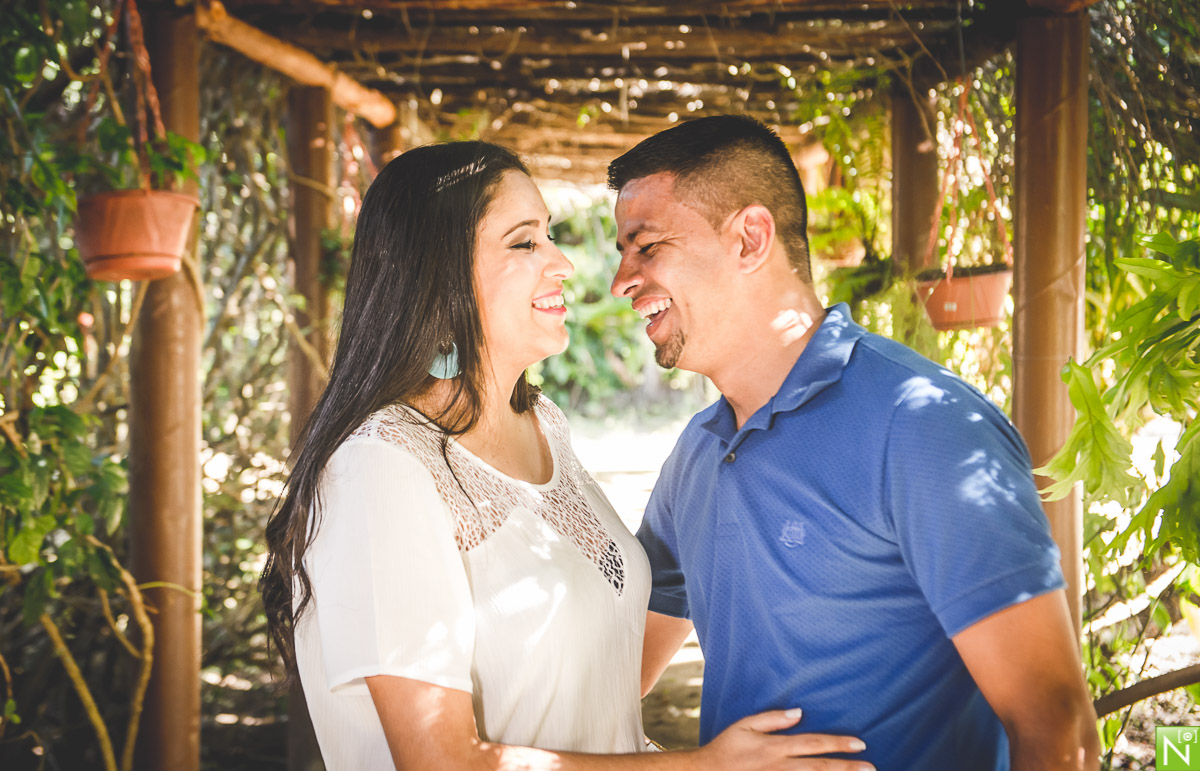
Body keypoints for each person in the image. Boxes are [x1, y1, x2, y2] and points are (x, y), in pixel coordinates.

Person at [259, 141, 872, 770]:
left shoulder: (544, 426)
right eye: (525, 243)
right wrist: (705, 766)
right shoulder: (380, 467)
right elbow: (442, 764)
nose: (563, 264)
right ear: (437, 275)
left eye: (550, 235)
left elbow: (597, 694)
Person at [606, 115, 1100, 771]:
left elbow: (1058, 727)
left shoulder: (924, 426)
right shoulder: (696, 453)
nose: (620, 280)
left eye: (646, 246)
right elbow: (614, 673)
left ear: (751, 238)